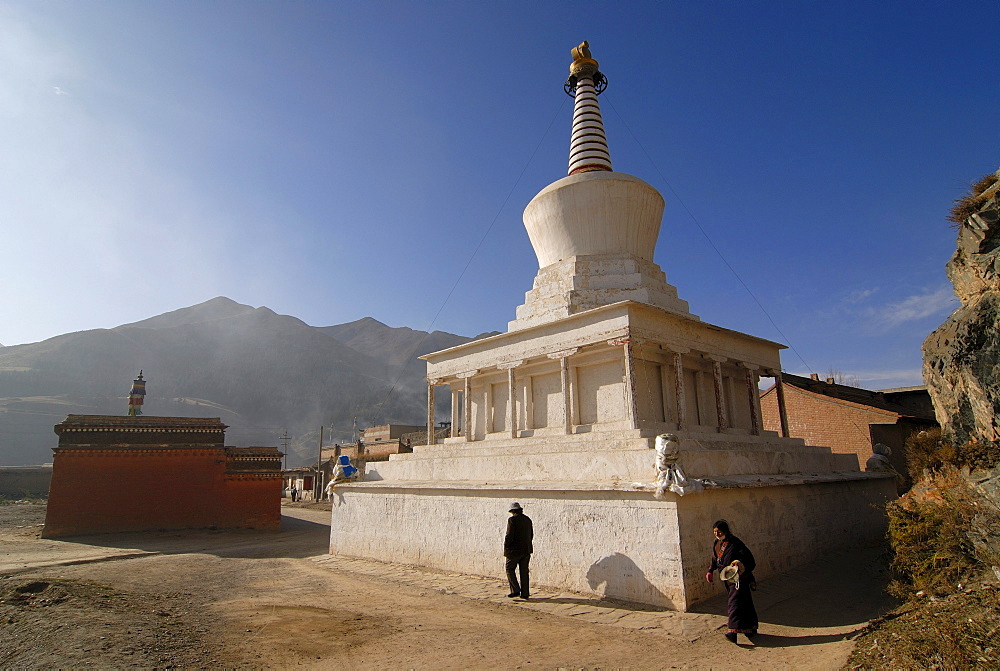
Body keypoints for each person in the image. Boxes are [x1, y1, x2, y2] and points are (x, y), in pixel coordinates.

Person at [705, 519, 758, 643]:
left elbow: (747, 556)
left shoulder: (735, 542)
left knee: (734, 603)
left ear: (725, 531)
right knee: (744, 602)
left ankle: (732, 631)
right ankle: (749, 628)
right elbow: (715, 558)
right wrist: (710, 570)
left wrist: (738, 563)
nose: (717, 534)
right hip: (727, 578)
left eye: (719, 531)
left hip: (738, 578)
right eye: (715, 532)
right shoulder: (717, 544)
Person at [504, 502, 533, 599]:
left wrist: (506, 547)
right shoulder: (527, 520)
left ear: (513, 511)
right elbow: (531, 535)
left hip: (514, 551)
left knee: (509, 569)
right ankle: (525, 593)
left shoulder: (512, 520)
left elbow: (509, 535)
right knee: (524, 571)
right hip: (526, 549)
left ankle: (515, 589)